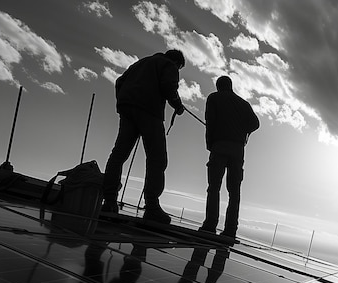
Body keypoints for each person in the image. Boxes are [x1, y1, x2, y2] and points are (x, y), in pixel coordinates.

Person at [101, 49, 186, 224]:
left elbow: (119, 82)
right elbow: (168, 86)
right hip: (149, 111)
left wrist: (123, 101)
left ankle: (109, 201)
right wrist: (177, 105)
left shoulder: (140, 62)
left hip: (127, 108)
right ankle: (152, 207)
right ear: (177, 63)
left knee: (118, 155)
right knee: (157, 159)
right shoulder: (169, 65)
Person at [199, 75, 259, 238]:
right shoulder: (243, 104)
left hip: (219, 146)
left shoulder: (214, 98)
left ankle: (210, 225)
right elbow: (255, 124)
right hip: (238, 150)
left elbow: (210, 121)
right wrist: (243, 131)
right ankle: (231, 229)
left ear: (218, 86)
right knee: (234, 192)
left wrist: (209, 143)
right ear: (231, 86)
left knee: (214, 187)